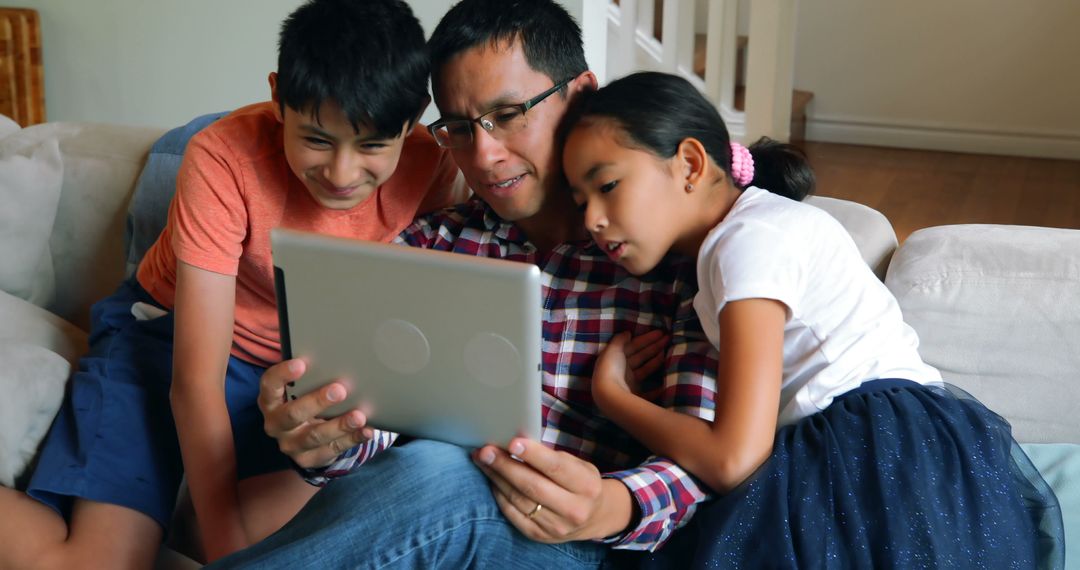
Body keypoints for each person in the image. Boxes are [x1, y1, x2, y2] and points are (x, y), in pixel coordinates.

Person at [209, 1, 719, 568]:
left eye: (509, 113)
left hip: (583, 546)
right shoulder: (432, 246)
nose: (484, 154)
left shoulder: (677, 262)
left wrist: (612, 506)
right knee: (431, 469)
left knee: (438, 471)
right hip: (435, 525)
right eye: (458, 127)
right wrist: (327, 434)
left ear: (581, 94)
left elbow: (710, 462)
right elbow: (379, 423)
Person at [0, 0, 462, 566]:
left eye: (371, 147)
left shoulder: (437, 165)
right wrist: (228, 554)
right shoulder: (223, 156)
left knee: (317, 535)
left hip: (300, 371)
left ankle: (191, 511)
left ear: (414, 117)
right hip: (167, 344)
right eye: (316, 140)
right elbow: (195, 381)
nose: (343, 174)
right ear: (277, 96)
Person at [560, 70, 1065, 568]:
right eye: (581, 201)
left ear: (690, 163)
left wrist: (614, 398)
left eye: (607, 185)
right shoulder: (746, 235)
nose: (591, 219)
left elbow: (734, 459)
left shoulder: (747, 243)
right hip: (906, 453)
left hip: (874, 458)